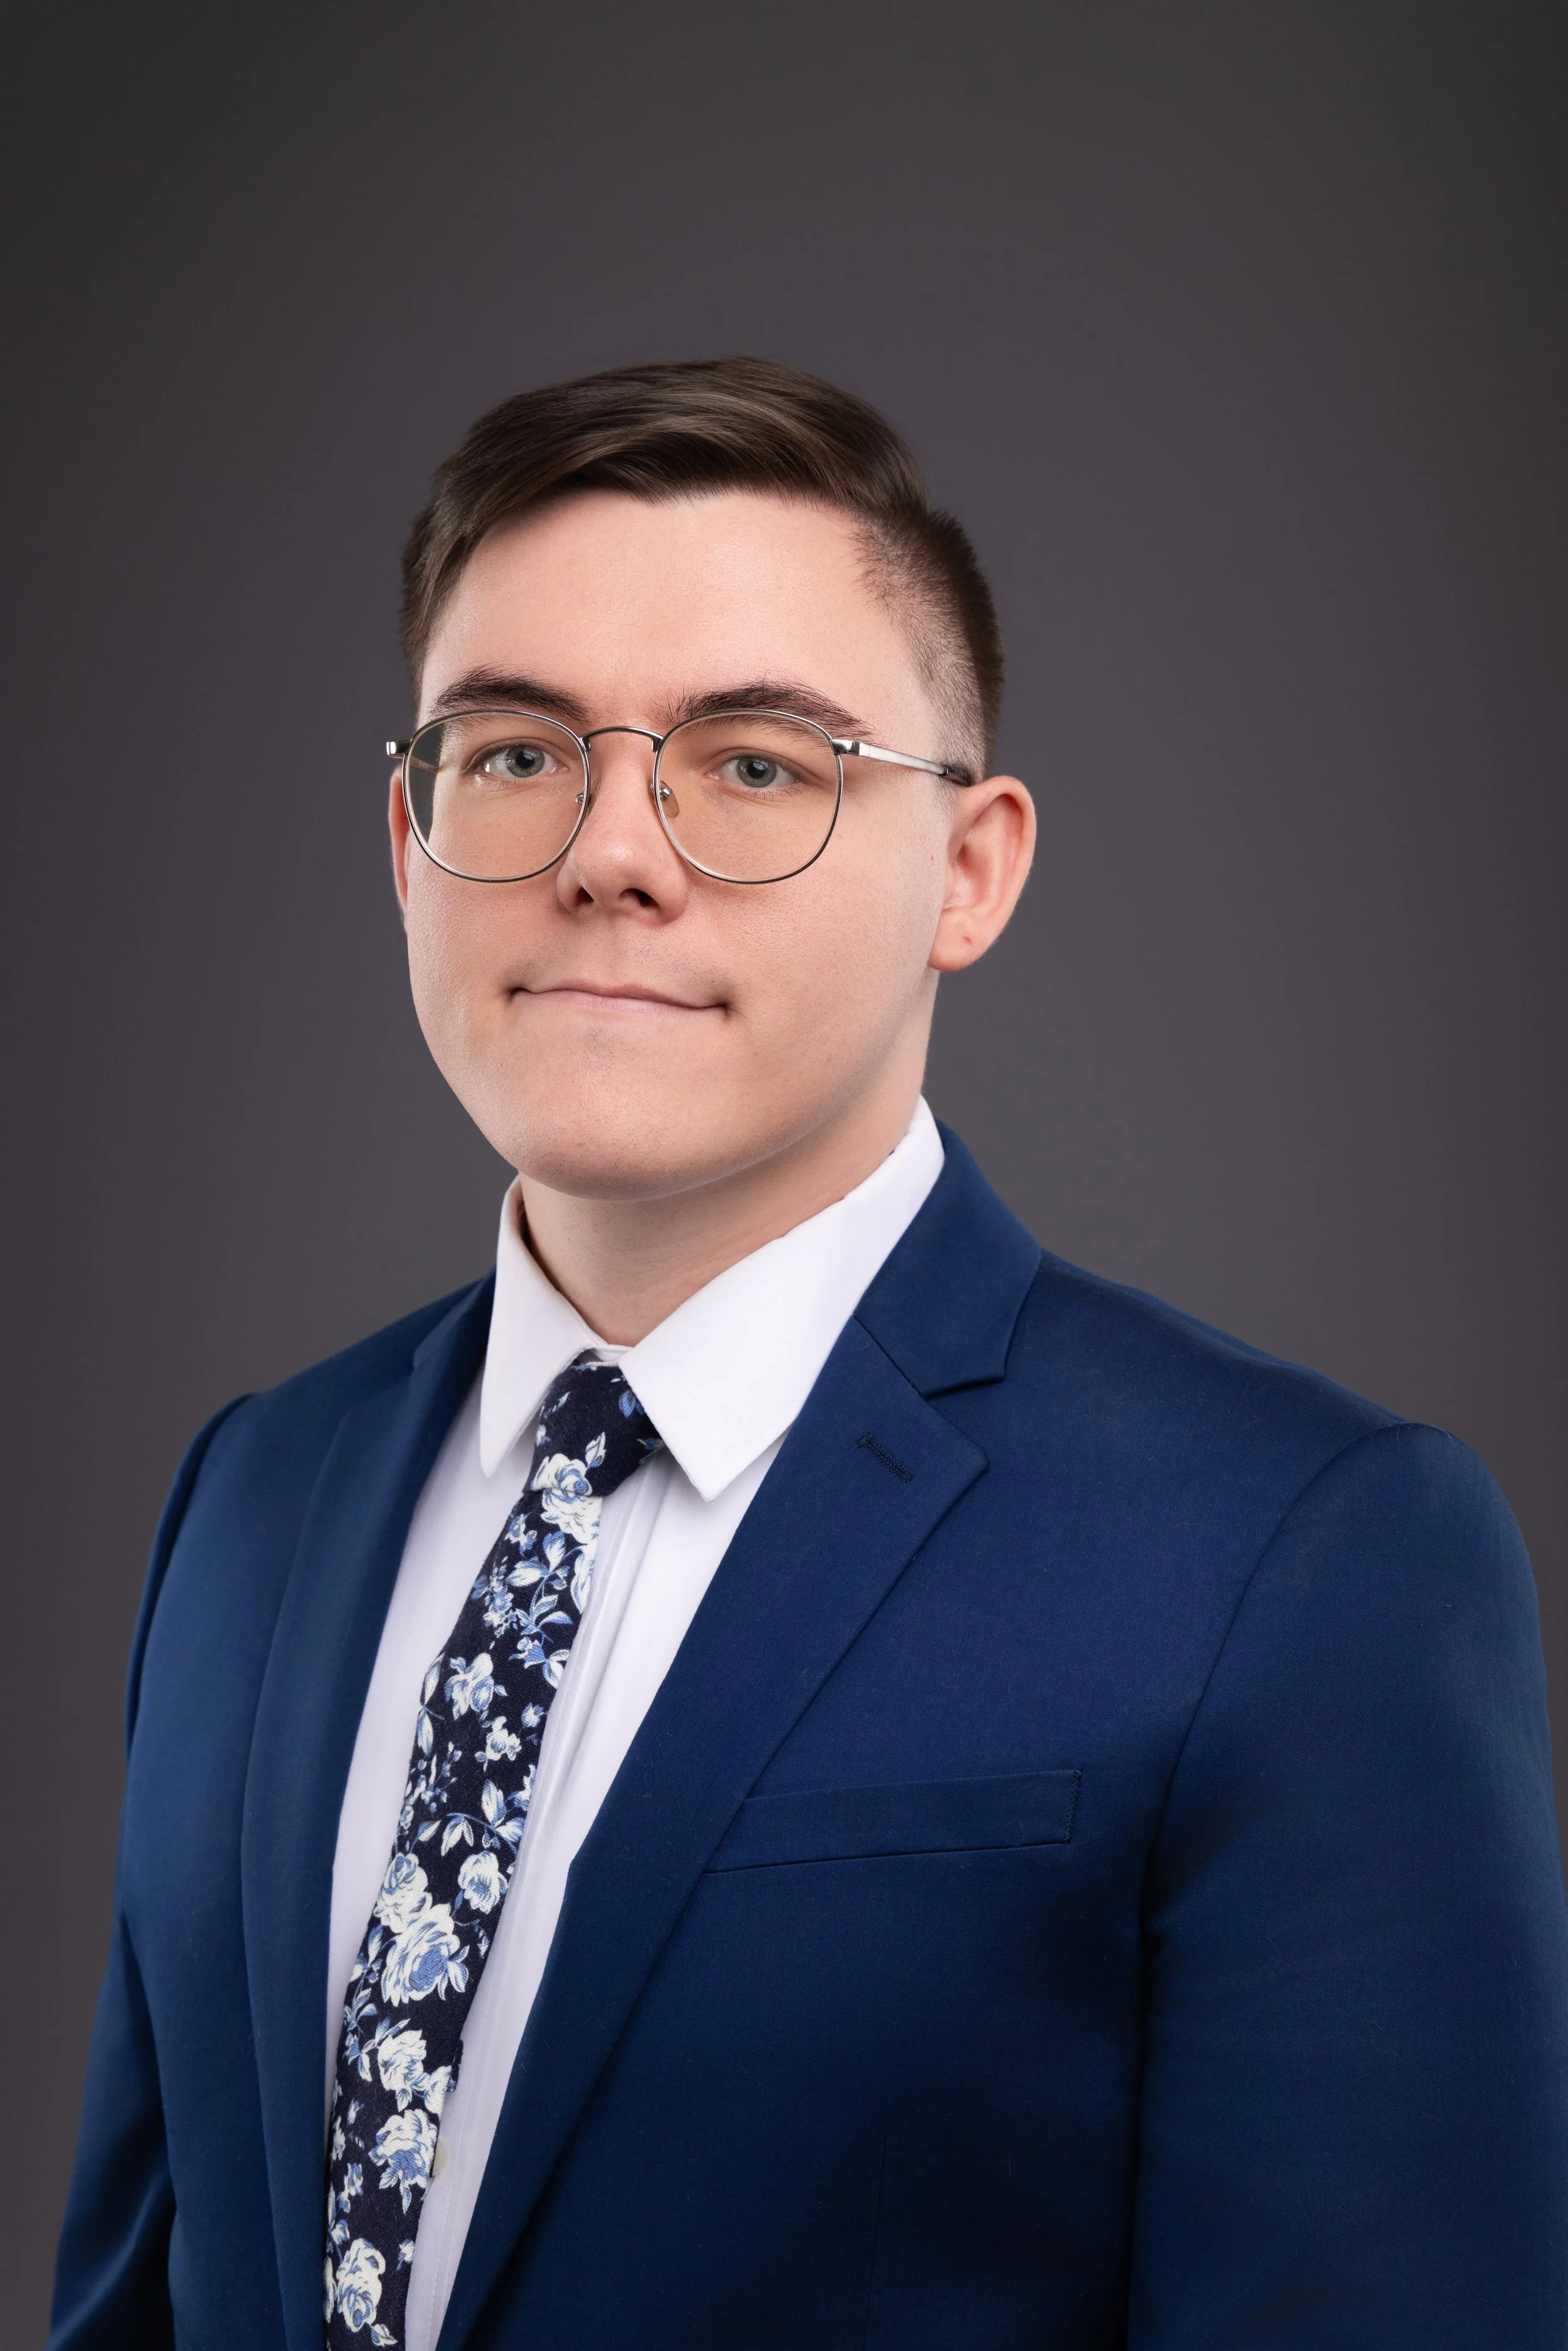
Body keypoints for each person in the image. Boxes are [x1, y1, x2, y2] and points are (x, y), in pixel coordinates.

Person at [50, 356, 1568, 2351]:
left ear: (971, 870)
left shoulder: (1305, 1559)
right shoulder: (250, 1495)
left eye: (753, 763)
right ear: (406, 842)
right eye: (514, 751)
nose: (610, 848)